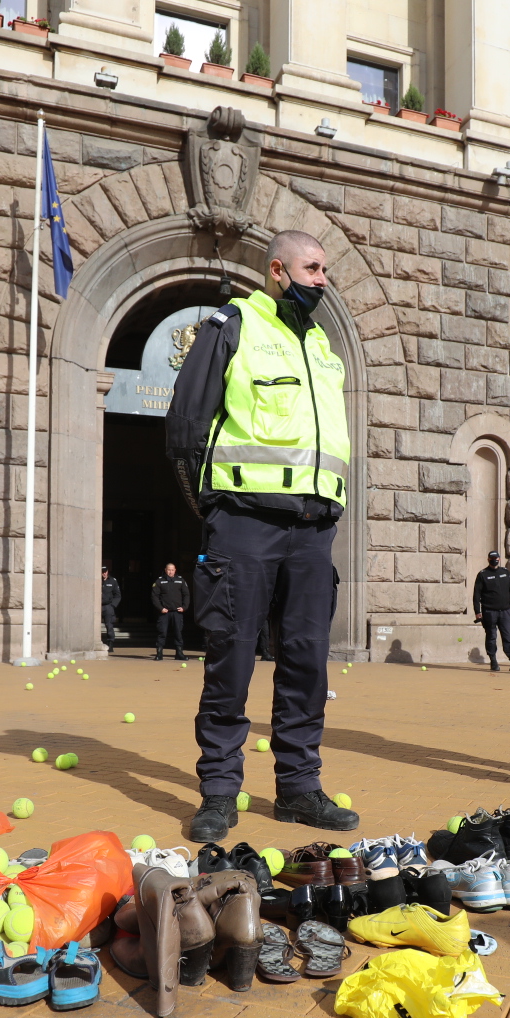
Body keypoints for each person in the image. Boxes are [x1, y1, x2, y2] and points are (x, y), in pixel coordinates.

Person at [165, 229, 359, 840]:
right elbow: (186, 425)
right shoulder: (233, 325)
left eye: (325, 269)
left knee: (307, 661)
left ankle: (299, 789)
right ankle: (220, 791)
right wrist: (211, 510)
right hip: (245, 521)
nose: (322, 280)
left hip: (312, 528)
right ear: (278, 269)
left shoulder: (323, 344)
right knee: (232, 656)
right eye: (312, 268)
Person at [472, 549, 510, 672]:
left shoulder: (505, 572)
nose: (495, 560)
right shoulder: (483, 574)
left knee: (508, 636)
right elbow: (476, 595)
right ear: (488, 559)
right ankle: (493, 660)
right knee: (491, 637)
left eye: (496, 558)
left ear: (499, 559)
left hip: (505, 611)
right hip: (489, 611)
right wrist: (478, 612)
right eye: (492, 558)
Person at [151, 563, 188, 660]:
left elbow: (186, 595)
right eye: (168, 570)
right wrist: (160, 608)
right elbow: (154, 596)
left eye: (172, 570)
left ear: (175, 570)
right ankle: (159, 653)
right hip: (164, 612)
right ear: (165, 570)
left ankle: (179, 653)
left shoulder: (180, 580)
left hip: (177, 612)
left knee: (178, 632)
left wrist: (184, 607)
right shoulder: (160, 581)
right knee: (162, 632)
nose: (170, 572)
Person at [99, 565, 121, 649]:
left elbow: (117, 595)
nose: (104, 573)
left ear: (107, 572)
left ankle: (110, 642)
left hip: (108, 606)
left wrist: (113, 605)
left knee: (109, 625)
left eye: (105, 571)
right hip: (98, 606)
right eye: (102, 572)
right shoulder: (97, 580)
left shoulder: (112, 581)